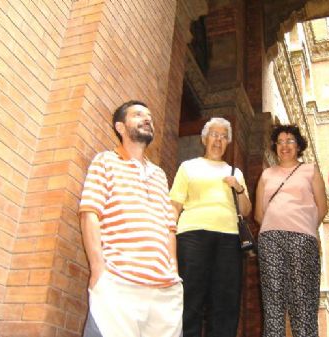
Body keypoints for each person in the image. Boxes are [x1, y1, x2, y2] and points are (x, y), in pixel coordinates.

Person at [79, 100, 183, 337]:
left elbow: (169, 227)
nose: (147, 119)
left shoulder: (159, 175)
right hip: (118, 284)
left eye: (149, 116)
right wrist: (98, 270)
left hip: (164, 293)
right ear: (120, 127)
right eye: (138, 115)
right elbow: (90, 213)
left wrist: (173, 271)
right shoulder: (105, 161)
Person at [170, 117, 252, 337]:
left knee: (226, 301)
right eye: (214, 135)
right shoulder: (188, 167)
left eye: (224, 136)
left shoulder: (236, 173)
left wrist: (239, 189)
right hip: (192, 236)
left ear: (228, 143)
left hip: (229, 239)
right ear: (204, 138)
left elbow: (245, 210)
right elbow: (175, 205)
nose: (219, 140)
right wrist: (167, 237)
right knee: (190, 297)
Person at [254, 125, 327, 337]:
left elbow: (322, 207)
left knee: (303, 303)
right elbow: (259, 213)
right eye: (280, 142)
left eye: (290, 141)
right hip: (270, 239)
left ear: (299, 146)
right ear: (275, 147)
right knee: (273, 303)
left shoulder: (310, 170)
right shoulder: (266, 174)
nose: (284, 146)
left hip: (302, 239)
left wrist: (303, 225)